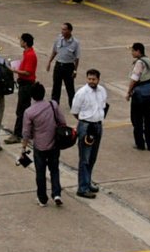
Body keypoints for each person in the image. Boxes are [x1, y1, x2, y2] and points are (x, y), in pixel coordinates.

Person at [21, 82, 65, 207]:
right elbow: (62, 121)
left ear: (32, 96)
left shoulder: (29, 112)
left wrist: (23, 148)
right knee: (54, 169)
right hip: (54, 144)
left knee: (40, 172)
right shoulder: (53, 105)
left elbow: (26, 133)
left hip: (39, 146)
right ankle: (56, 193)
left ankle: (42, 198)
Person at [70, 69, 107, 198]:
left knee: (92, 157)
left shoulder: (102, 91)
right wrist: (84, 121)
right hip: (86, 126)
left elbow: (102, 106)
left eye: (94, 79)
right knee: (84, 158)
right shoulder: (81, 93)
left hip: (97, 125)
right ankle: (82, 187)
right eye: (89, 79)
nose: (91, 81)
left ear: (98, 79)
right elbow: (75, 110)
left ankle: (88, 181)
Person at [5, 33, 39, 144]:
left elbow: (28, 72)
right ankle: (27, 132)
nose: (20, 42)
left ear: (25, 42)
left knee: (21, 111)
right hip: (24, 84)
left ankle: (18, 134)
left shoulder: (30, 55)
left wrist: (14, 70)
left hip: (26, 85)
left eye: (21, 41)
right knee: (23, 110)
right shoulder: (27, 53)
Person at [127, 42, 150, 151]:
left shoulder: (139, 63)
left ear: (138, 51)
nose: (132, 53)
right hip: (149, 93)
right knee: (149, 119)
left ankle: (140, 143)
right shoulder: (149, 61)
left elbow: (134, 78)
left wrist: (129, 92)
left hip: (139, 93)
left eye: (133, 50)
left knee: (137, 119)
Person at [47, 22, 80, 104]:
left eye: (64, 30)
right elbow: (54, 51)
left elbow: (77, 58)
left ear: (70, 30)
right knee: (56, 86)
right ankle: (55, 103)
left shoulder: (75, 43)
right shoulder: (58, 39)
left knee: (70, 87)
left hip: (68, 67)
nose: (62, 31)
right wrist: (49, 62)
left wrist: (75, 70)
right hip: (58, 65)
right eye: (62, 29)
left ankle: (73, 104)